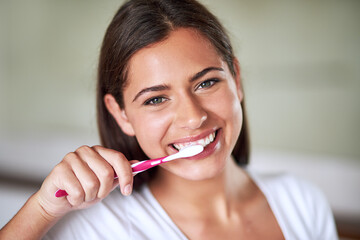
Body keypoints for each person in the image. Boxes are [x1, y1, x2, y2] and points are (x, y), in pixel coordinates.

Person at [0, 0, 338, 239]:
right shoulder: (95, 228)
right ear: (120, 114)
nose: (193, 117)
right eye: (156, 99)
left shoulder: (302, 202)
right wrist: (42, 210)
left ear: (236, 78)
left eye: (206, 82)